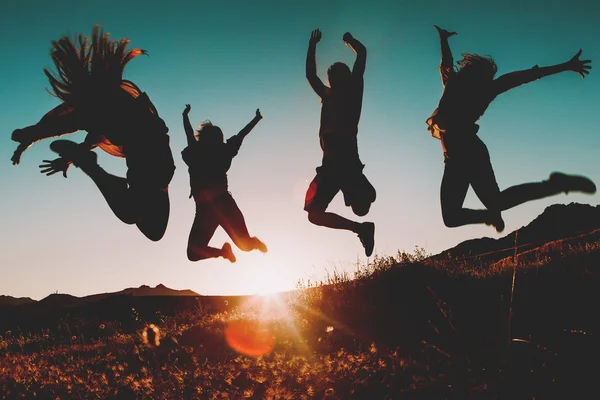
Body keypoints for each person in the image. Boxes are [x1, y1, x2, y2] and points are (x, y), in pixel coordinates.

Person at [10, 26, 175, 242]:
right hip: (155, 168)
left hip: (153, 166)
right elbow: (71, 128)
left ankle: (97, 172)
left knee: (143, 223)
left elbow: (68, 126)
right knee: (149, 227)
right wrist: (31, 138)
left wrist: (31, 137)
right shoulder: (107, 110)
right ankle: (98, 172)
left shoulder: (106, 108)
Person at [428, 25, 595, 232]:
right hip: (453, 159)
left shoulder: (484, 90)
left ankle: (555, 185)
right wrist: (444, 40)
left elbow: (525, 76)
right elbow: (446, 63)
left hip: (470, 152)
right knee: (452, 217)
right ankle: (490, 215)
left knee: (491, 203)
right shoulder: (453, 83)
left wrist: (565, 66)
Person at [304, 29, 376, 257]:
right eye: (332, 76)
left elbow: (362, 54)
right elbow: (310, 76)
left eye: (337, 75)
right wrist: (312, 45)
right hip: (330, 166)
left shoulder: (354, 91)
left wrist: (350, 40)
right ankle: (361, 228)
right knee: (314, 215)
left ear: (345, 78)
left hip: (346, 161)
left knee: (362, 209)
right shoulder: (328, 95)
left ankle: (361, 196)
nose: (333, 80)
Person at [182, 105, 267, 262]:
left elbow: (241, 135)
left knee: (245, 246)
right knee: (193, 253)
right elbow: (241, 135)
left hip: (222, 205)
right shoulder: (203, 151)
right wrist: (256, 119)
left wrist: (185, 116)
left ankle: (251, 243)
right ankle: (224, 252)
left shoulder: (212, 151)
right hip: (206, 210)